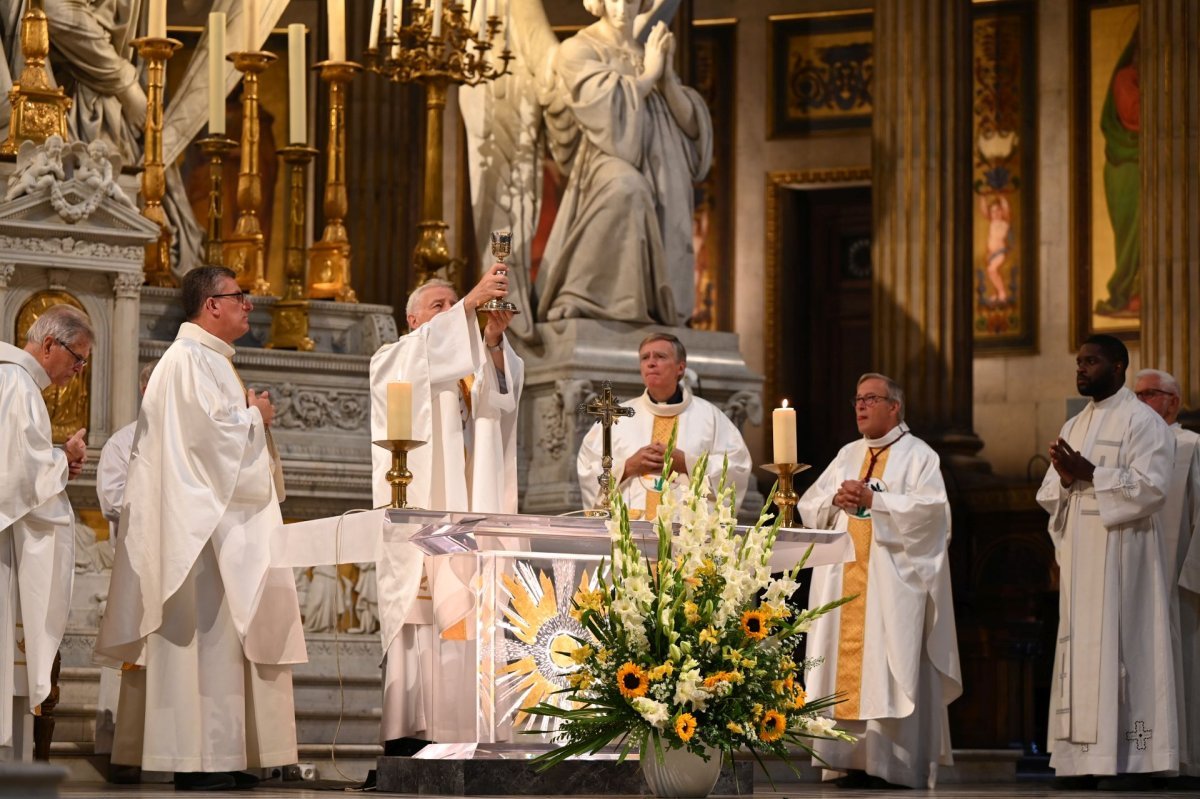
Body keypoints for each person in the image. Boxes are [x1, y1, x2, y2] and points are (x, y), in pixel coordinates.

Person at [96, 266, 306, 791]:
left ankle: (225, 754)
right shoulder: (185, 361)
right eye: (241, 296)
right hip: (198, 533)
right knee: (205, 645)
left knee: (226, 648)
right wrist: (254, 417)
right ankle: (196, 761)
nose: (249, 306)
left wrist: (250, 420)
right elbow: (208, 443)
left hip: (221, 525)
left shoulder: (209, 361)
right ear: (211, 304)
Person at [368, 267, 521, 751]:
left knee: (470, 617)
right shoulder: (393, 358)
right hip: (424, 510)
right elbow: (427, 358)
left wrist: (494, 343)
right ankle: (410, 733)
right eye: (441, 306)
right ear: (413, 320)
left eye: (455, 305)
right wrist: (472, 301)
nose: (455, 313)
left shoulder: (470, 365)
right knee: (422, 620)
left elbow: (502, 399)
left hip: (469, 515)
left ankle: (466, 728)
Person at [797, 372, 961, 789]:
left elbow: (934, 516)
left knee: (889, 669)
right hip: (843, 580)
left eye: (871, 399)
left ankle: (892, 765)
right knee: (842, 662)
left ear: (895, 407)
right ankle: (847, 760)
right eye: (857, 399)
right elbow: (809, 503)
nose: (861, 406)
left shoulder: (918, 456)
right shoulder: (848, 453)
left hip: (893, 586)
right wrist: (836, 499)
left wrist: (876, 501)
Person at [1037, 335, 1177, 790]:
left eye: (1091, 361)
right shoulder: (1074, 425)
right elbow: (1049, 494)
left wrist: (1091, 474)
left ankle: (1133, 759)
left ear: (1118, 367)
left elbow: (1153, 487)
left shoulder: (1144, 421)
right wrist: (1064, 479)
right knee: (1079, 653)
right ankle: (1080, 761)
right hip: (1082, 560)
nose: (1081, 369)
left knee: (1125, 648)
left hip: (1125, 556)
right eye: (1079, 361)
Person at [534, 0, 713, 325]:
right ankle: (581, 293)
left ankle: (648, 310)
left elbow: (692, 128)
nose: (620, 7)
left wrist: (667, 78)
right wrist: (648, 75)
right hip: (603, 162)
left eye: (629, 0)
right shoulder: (578, 49)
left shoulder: (651, 51)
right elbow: (605, 112)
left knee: (654, 198)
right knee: (626, 188)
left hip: (661, 163)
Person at [1, 304, 91, 761]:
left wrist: (56, 456)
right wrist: (63, 457)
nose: (79, 371)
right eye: (77, 359)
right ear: (50, 344)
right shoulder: (16, 384)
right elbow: (14, 476)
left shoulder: (13, 382)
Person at [577, 333, 751, 516]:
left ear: (680, 368)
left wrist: (687, 463)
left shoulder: (711, 418)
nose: (651, 363)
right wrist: (627, 467)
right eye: (645, 358)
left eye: (660, 356)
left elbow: (736, 468)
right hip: (627, 535)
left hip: (687, 539)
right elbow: (589, 470)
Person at [1134, 368, 1200, 782]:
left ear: (1172, 402)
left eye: (1147, 396)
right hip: (1138, 583)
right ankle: (1145, 757)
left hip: (1180, 580)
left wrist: (1191, 573)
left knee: (1186, 665)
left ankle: (1186, 758)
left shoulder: (1190, 447)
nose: (1137, 404)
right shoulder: (1131, 449)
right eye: (1134, 396)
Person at [93, 358, 155, 761]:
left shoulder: (192, 446)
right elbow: (113, 499)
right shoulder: (123, 442)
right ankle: (124, 752)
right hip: (138, 566)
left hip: (183, 572)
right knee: (132, 654)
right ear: (146, 392)